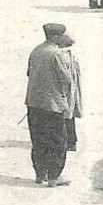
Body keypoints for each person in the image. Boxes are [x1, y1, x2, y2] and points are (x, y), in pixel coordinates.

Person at [25, 23, 73, 186]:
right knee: (57, 140)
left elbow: (28, 73)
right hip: (52, 104)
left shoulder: (36, 51)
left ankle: (40, 173)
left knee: (38, 139)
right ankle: (54, 175)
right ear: (55, 36)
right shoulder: (56, 54)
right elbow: (66, 79)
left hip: (33, 102)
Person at [54, 30, 83, 154]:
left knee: (63, 115)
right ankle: (72, 141)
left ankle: (68, 142)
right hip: (72, 87)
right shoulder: (72, 54)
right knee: (69, 115)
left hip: (65, 88)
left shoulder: (61, 55)